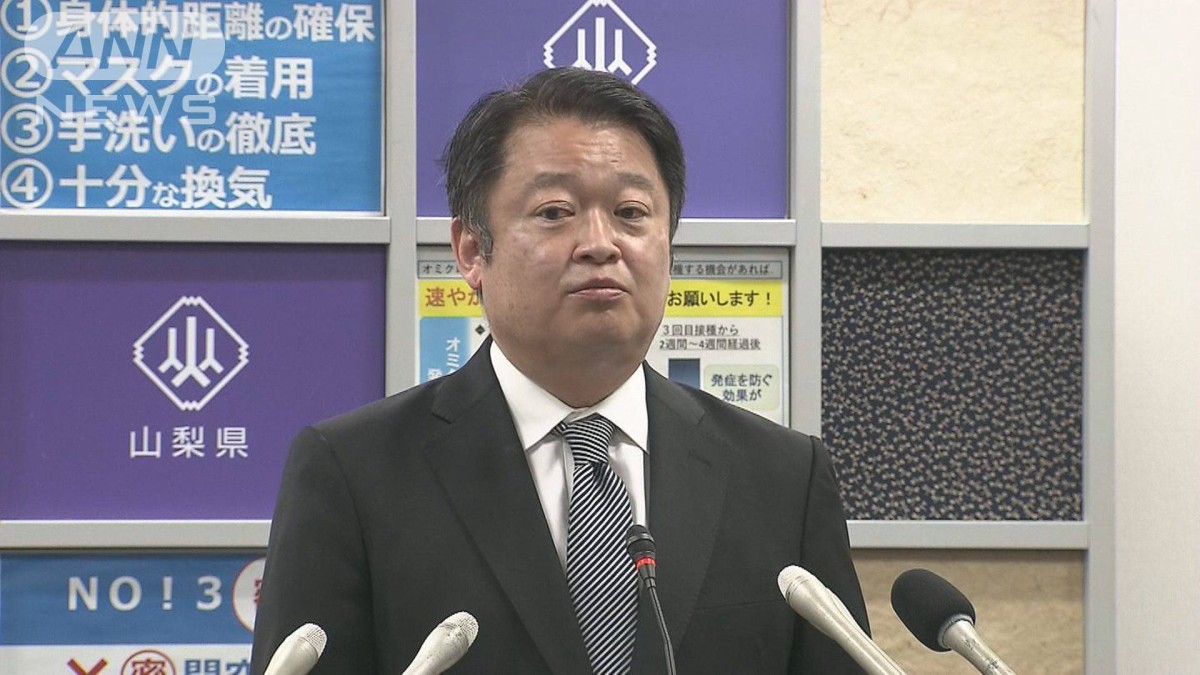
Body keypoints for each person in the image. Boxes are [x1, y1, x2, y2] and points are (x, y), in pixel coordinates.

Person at [251, 68, 868, 674]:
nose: (600, 243)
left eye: (632, 212)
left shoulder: (782, 477)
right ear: (472, 250)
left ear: (669, 244)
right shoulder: (354, 473)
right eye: (554, 212)